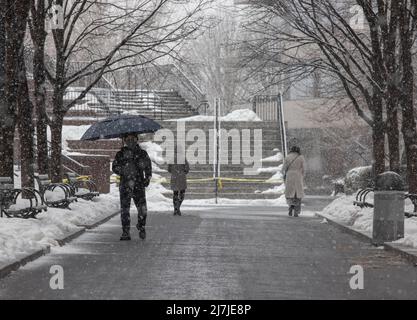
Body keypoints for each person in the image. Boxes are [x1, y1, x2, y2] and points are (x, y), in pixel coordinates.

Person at [112, 134, 152, 241]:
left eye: (132, 139)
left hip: (139, 184)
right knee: (125, 209)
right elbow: (114, 167)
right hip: (125, 185)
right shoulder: (120, 154)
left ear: (136, 139)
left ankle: (141, 225)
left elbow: (148, 167)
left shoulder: (142, 153)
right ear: (124, 140)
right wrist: (123, 170)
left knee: (142, 209)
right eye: (128, 139)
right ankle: (126, 231)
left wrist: (147, 178)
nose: (130, 141)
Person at [281, 146, 306, 217]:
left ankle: (291, 206)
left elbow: (283, 168)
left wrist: (285, 174)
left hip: (289, 175)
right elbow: (304, 168)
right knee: (297, 193)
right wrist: (302, 175)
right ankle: (296, 211)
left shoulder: (288, 157)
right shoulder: (301, 157)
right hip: (298, 175)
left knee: (290, 192)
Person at [168, 145, 190, 216]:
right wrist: (183, 172)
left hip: (174, 178)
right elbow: (187, 168)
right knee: (182, 193)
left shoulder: (172, 158)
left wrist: (174, 172)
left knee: (175, 193)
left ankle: (175, 209)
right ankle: (178, 207)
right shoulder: (183, 158)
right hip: (181, 178)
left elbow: (169, 169)